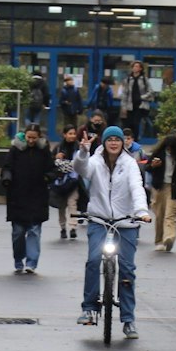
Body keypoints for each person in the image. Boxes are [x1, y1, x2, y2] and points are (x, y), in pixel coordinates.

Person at [72, 125, 151, 338]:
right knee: (93, 260)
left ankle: (128, 319)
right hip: (99, 220)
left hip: (126, 222)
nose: (114, 143)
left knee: (127, 269)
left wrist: (142, 212)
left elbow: (137, 188)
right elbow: (80, 169)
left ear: (123, 143)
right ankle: (88, 308)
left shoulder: (130, 165)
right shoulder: (95, 161)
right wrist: (83, 152)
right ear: (104, 142)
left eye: (117, 139)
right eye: (110, 139)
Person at [5, 123, 56, 273]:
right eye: (29, 137)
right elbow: (7, 167)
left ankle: (32, 262)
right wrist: (7, 178)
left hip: (37, 197)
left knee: (34, 230)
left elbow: (52, 169)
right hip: (17, 196)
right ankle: (18, 258)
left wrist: (48, 177)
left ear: (39, 137)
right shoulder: (15, 150)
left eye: (34, 138)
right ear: (24, 136)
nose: (31, 141)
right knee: (18, 232)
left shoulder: (44, 151)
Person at [143, 132, 176, 252]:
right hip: (159, 187)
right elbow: (146, 168)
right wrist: (153, 165)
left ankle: (169, 237)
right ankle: (159, 241)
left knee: (170, 214)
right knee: (159, 215)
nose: (169, 150)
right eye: (167, 148)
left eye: (171, 149)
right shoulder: (158, 154)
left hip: (174, 187)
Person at [52, 126, 87, 238]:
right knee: (61, 205)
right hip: (61, 181)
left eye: (74, 133)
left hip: (74, 181)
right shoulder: (58, 148)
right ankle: (63, 227)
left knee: (72, 203)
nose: (72, 136)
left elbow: (84, 160)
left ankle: (72, 227)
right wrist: (56, 157)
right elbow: (50, 163)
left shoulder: (78, 147)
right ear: (64, 134)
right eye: (70, 133)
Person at [123, 62, 150, 142]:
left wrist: (142, 97)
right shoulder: (128, 79)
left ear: (141, 68)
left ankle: (136, 141)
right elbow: (124, 94)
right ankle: (128, 140)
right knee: (129, 124)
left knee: (137, 124)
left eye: (137, 66)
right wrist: (124, 106)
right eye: (134, 66)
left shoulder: (144, 79)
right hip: (130, 105)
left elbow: (150, 92)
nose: (135, 68)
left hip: (140, 105)